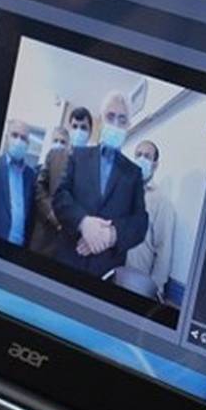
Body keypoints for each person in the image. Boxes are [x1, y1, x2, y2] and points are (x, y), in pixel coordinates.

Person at [51, 91, 148, 278]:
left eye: (122, 119)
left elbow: (140, 222)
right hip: (69, 257)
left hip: (105, 269)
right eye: (110, 117)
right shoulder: (78, 156)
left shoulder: (133, 173)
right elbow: (60, 197)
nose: (115, 124)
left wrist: (111, 235)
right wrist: (84, 223)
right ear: (101, 120)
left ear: (128, 125)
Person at [29, 108, 94, 257]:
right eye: (75, 126)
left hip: (72, 244)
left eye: (83, 127)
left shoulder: (94, 166)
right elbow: (40, 186)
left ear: (90, 132)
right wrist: (51, 213)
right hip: (45, 237)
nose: (78, 131)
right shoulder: (54, 155)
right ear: (70, 129)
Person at [125, 140, 175, 299]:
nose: (141, 159)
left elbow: (164, 249)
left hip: (137, 283)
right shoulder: (122, 191)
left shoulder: (161, 203)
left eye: (147, 156)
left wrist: (155, 288)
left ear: (155, 165)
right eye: (138, 155)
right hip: (111, 272)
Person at [0, 119, 37, 246]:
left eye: (23, 138)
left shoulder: (31, 176)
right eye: (14, 135)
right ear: (7, 138)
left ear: (28, 144)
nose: (18, 141)